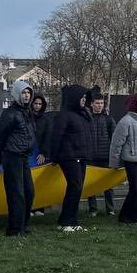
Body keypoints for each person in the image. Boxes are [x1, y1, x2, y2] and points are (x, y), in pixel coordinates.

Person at [0, 78, 37, 237]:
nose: (26, 95)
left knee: (29, 191)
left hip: (23, 156)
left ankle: (23, 225)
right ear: (17, 94)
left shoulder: (27, 113)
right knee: (17, 193)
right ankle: (15, 229)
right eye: (23, 93)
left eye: (28, 93)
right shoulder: (10, 114)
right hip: (12, 156)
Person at [48, 85, 93, 232]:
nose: (84, 100)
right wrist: (54, 157)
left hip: (81, 155)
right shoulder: (64, 115)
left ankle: (72, 221)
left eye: (85, 98)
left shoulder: (83, 115)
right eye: (81, 97)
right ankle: (65, 221)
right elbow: (56, 137)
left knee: (78, 189)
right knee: (75, 187)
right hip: (69, 157)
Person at [110, 93, 137, 225]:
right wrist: (114, 163)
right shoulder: (126, 121)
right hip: (132, 160)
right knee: (134, 189)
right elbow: (116, 144)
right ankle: (126, 216)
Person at [86, 86, 116, 217]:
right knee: (90, 184)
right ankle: (93, 209)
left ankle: (110, 209)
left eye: (102, 103)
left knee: (108, 185)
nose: (99, 105)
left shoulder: (109, 119)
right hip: (91, 157)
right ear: (92, 104)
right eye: (97, 103)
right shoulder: (86, 119)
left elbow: (114, 138)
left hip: (105, 157)